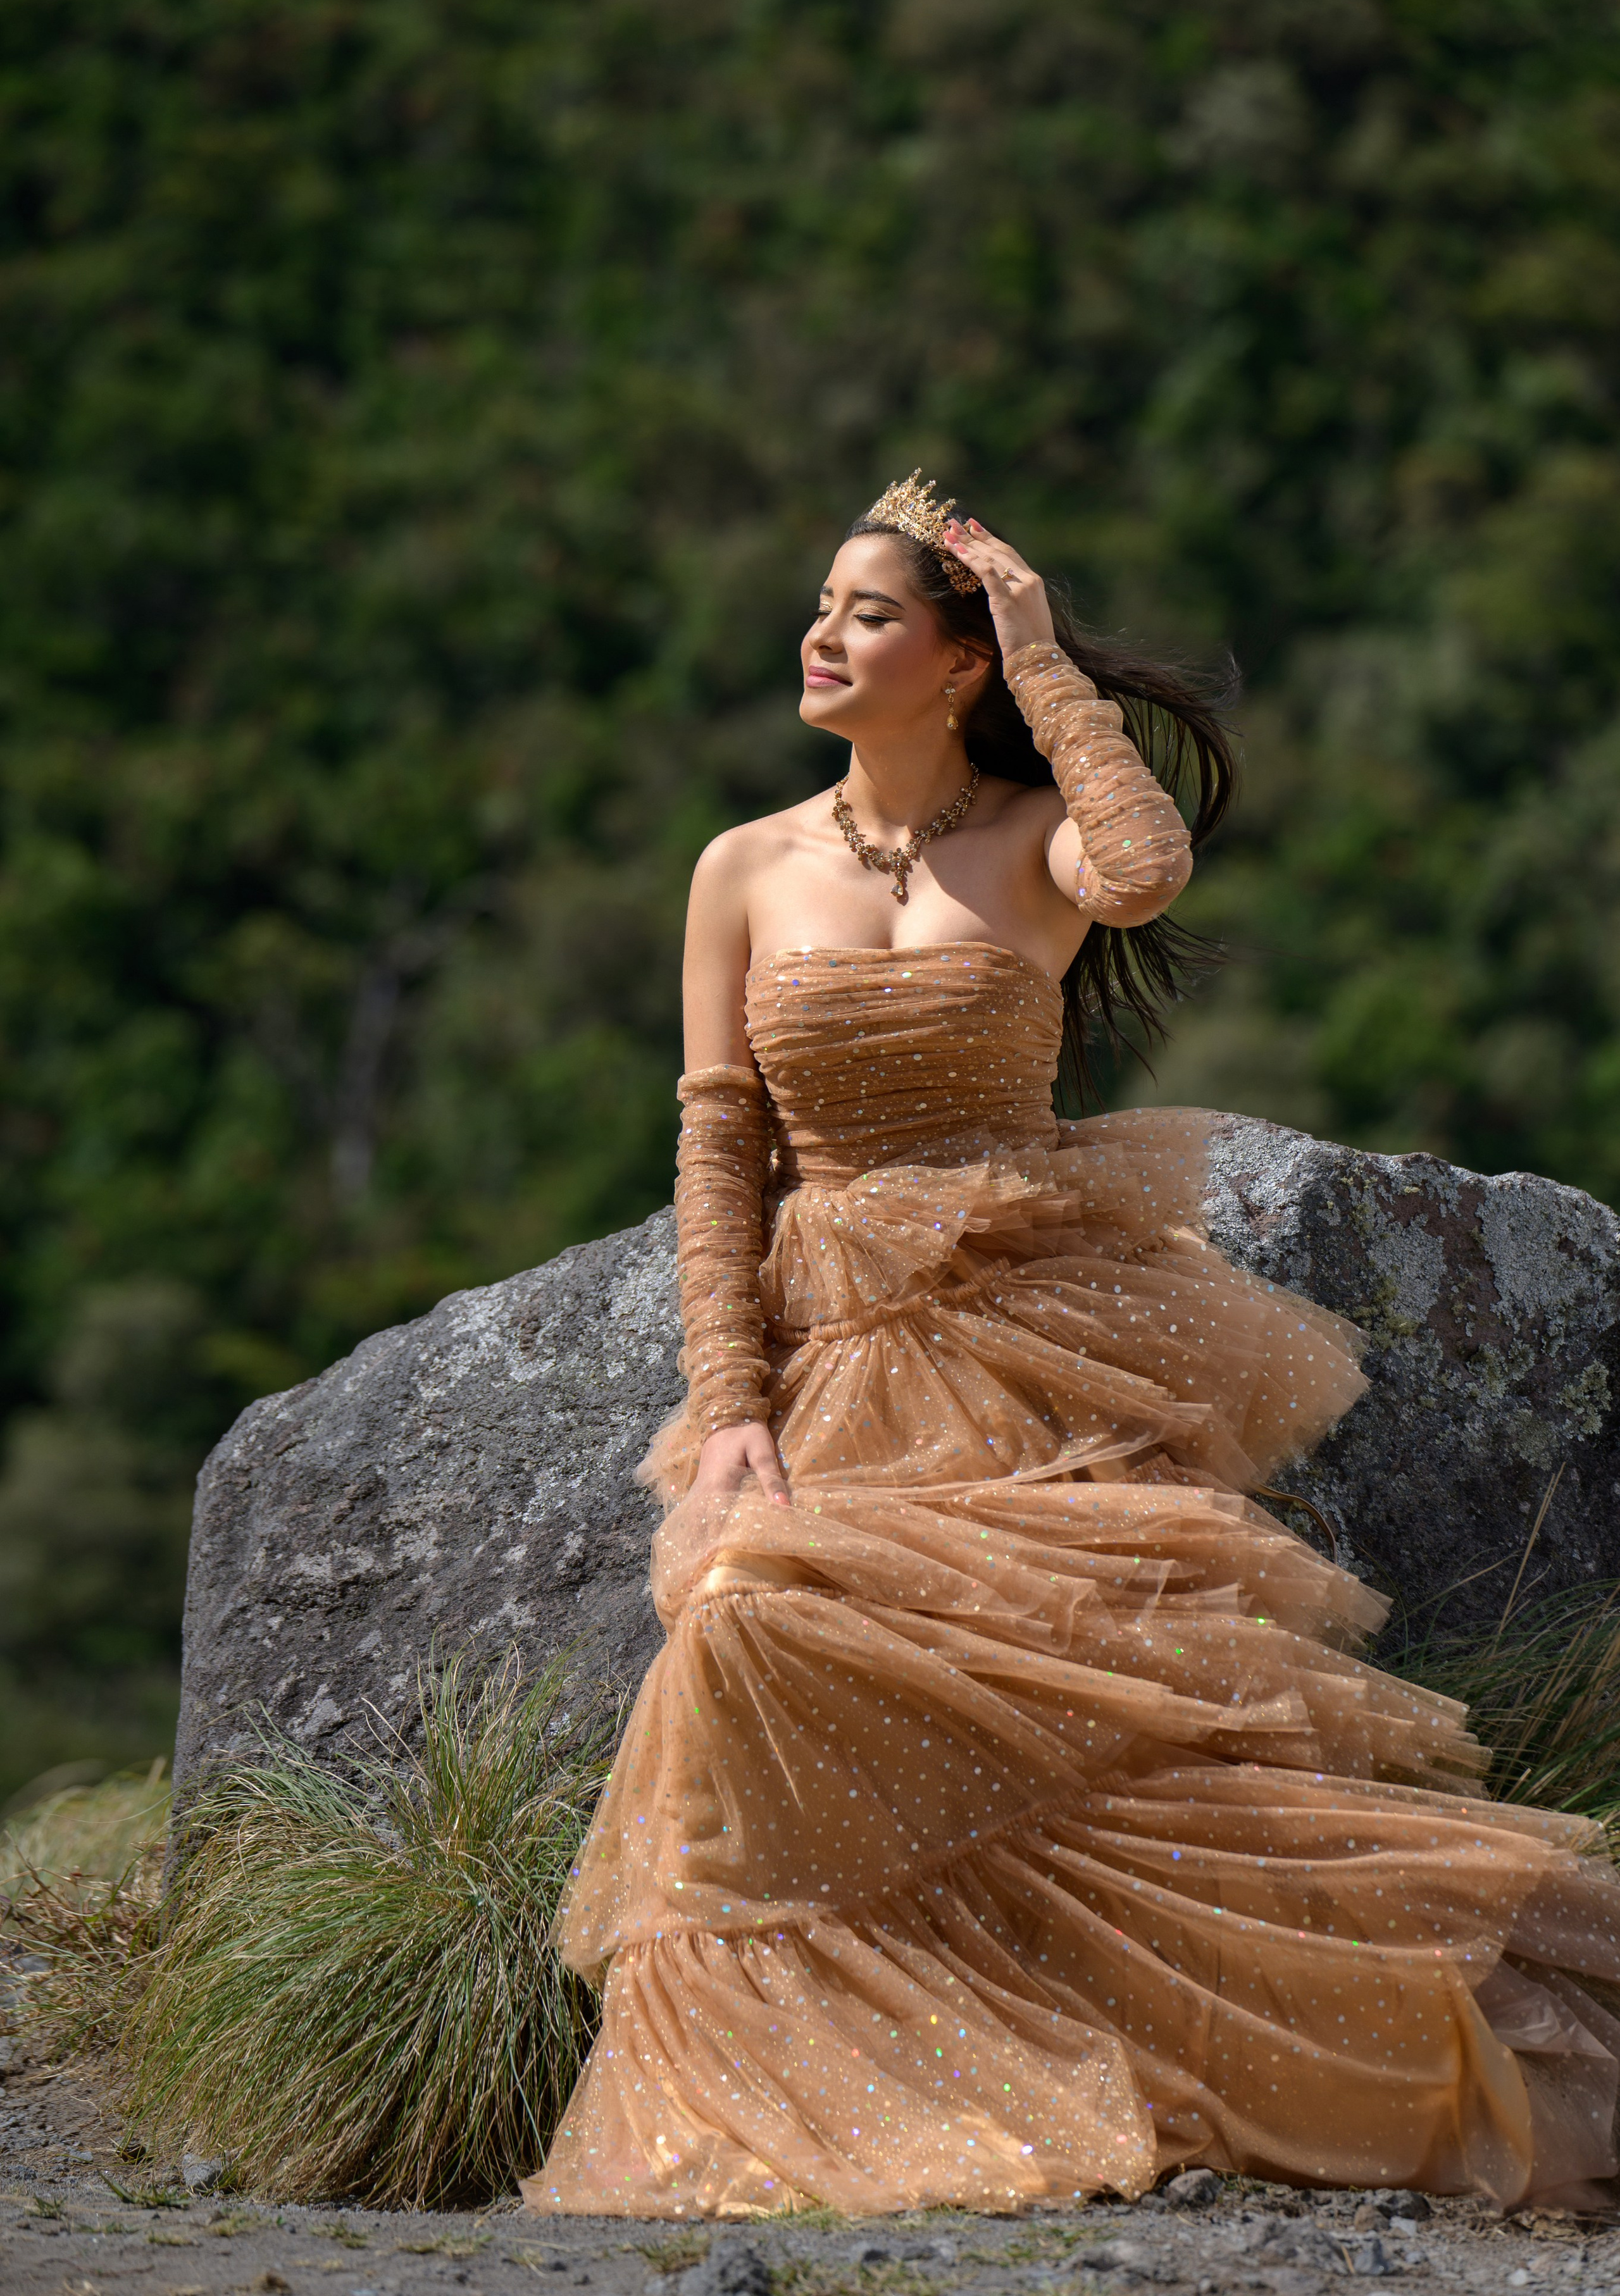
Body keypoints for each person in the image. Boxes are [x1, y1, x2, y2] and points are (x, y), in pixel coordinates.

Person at [523, 475, 1620, 2220]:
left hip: (1039, 1341)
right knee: (746, 1622)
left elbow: (1147, 865)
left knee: (1087, 1695)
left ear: (952, 664)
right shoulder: (741, 868)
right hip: (843, 1347)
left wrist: (1044, 655)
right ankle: (845, 2088)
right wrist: (731, 1407)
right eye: (819, 605)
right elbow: (722, 1151)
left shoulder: (1035, 836)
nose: (820, 634)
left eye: (868, 612)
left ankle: (1206, 2048)